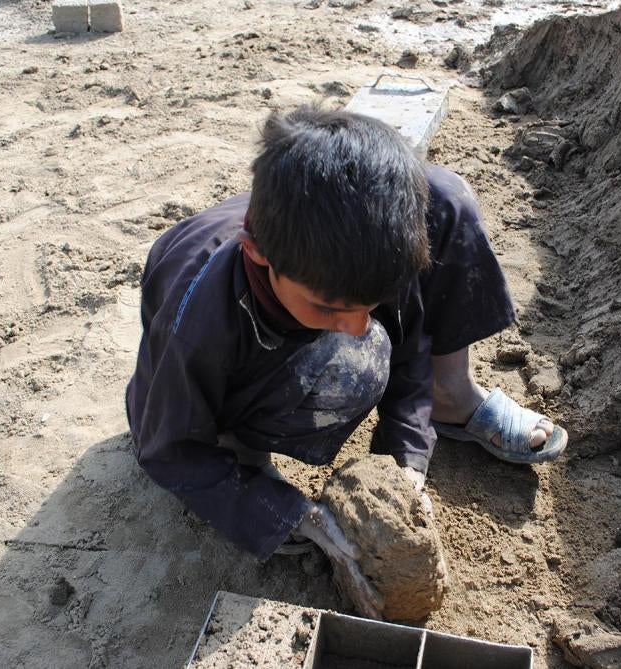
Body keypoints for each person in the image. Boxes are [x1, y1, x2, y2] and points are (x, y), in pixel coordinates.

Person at [126, 106, 567, 618]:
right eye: (332, 309)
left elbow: (410, 341)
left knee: (447, 201)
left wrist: (406, 465)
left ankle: (453, 399)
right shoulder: (201, 319)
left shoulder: (374, 249)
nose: (360, 327)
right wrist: (291, 514)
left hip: (325, 251)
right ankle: (239, 444)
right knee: (344, 372)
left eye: (370, 307)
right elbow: (165, 445)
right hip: (218, 337)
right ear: (258, 254)